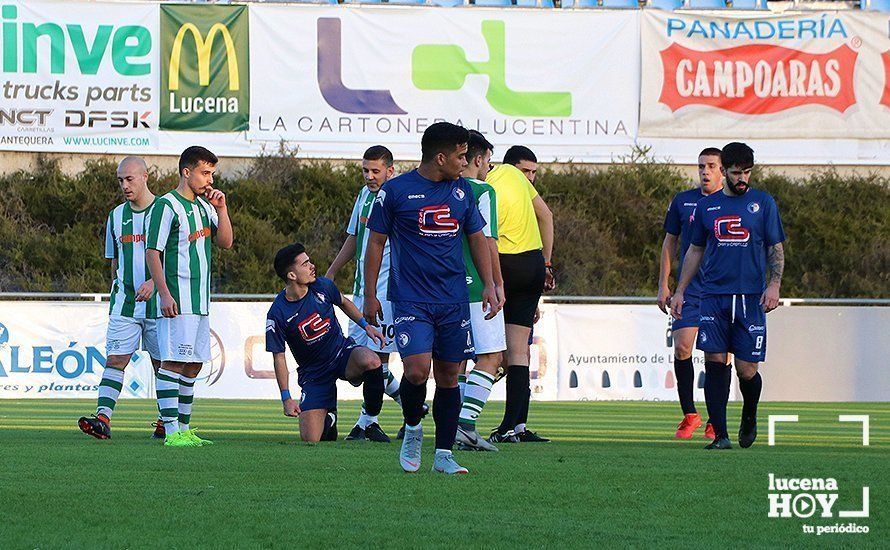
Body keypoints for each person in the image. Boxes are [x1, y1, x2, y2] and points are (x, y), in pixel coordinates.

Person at [364, 122, 500, 475]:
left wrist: (489, 284)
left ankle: (442, 454)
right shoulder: (395, 192)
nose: (465, 161)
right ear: (440, 157)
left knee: (449, 376)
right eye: (460, 155)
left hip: (453, 298)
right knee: (416, 370)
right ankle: (412, 428)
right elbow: (375, 243)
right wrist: (369, 295)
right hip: (410, 299)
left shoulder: (462, 192)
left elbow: (478, 238)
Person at [671, 142, 785, 450]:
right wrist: (680, 290)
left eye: (746, 172)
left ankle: (749, 412)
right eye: (736, 173)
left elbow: (775, 248)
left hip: (750, 298)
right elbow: (695, 249)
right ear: (725, 172)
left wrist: (774, 285)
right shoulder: (707, 208)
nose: (742, 178)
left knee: (746, 370)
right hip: (713, 297)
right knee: (714, 363)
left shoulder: (763, 203)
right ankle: (720, 435)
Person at [145, 146, 234, 447]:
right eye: (205, 173)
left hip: (200, 300)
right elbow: (152, 253)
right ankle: (170, 430)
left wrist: (222, 209)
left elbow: (226, 242)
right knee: (172, 361)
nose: (210, 180)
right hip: (177, 299)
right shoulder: (166, 206)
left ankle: (183, 428)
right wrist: (165, 294)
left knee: (193, 364)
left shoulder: (205, 207)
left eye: (212, 173)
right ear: (187, 172)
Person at [267, 243, 387, 443]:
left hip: (342, 354)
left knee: (372, 361)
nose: (312, 266)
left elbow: (344, 302)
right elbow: (279, 357)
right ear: (292, 275)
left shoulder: (322, 286)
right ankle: (329, 417)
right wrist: (286, 398)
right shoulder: (277, 313)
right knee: (311, 440)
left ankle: (369, 422)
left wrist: (366, 326)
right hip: (314, 373)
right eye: (305, 264)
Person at [78, 157, 162, 440]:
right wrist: (120, 286)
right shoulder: (115, 216)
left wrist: (155, 282)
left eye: (130, 179)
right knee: (115, 359)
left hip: (161, 303)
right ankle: (103, 419)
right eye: (120, 181)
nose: (124, 185)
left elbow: (176, 259)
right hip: (124, 302)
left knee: (161, 363)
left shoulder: (165, 211)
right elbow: (113, 263)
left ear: (145, 177)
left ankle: (166, 420)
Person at [326, 145, 406, 443]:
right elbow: (354, 237)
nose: (370, 176)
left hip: (385, 293)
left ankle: (367, 422)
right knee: (359, 365)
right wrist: (332, 272)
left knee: (376, 359)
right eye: (365, 170)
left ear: (390, 170)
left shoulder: (395, 197)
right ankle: (410, 403)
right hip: (361, 291)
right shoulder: (363, 195)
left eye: (375, 171)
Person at [485, 145, 554, 444]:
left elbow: (485, 236)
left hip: (506, 263)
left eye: (533, 173)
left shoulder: (487, 184)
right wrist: (547, 263)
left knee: (487, 352)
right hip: (533, 264)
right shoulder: (517, 183)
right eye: (525, 171)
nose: (529, 177)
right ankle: (515, 425)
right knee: (518, 352)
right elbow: (547, 216)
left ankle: (462, 419)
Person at [657, 148, 724, 440]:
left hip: (721, 291)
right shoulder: (683, 201)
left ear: (722, 170)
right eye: (701, 166)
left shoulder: (732, 203)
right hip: (690, 292)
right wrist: (664, 284)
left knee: (720, 358)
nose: (705, 172)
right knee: (683, 347)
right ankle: (690, 415)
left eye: (711, 166)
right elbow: (670, 243)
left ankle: (715, 419)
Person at [453, 131, 505, 452]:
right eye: (488, 160)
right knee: (490, 357)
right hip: (475, 287)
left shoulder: (446, 189)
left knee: (455, 360)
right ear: (477, 159)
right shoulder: (482, 191)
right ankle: (466, 426)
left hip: (446, 288)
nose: (489, 167)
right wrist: (496, 284)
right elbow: (488, 241)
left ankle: (453, 427)